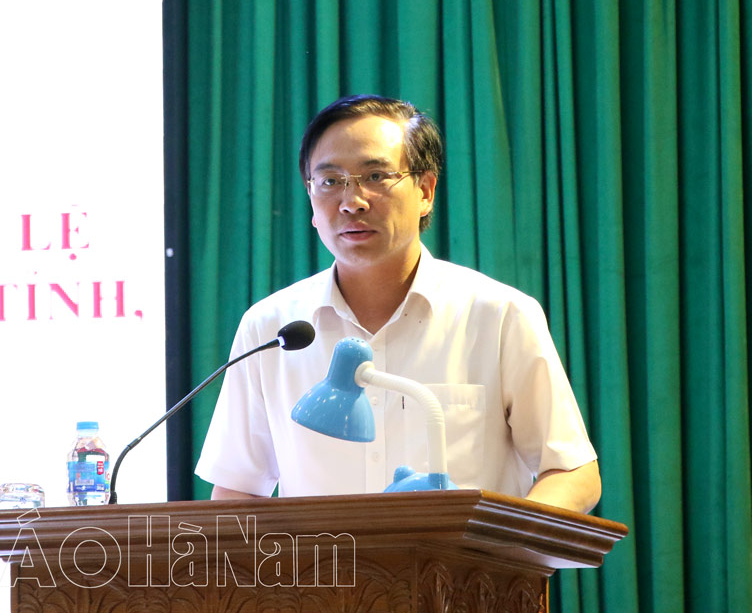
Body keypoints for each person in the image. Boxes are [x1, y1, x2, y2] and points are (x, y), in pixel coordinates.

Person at [195, 94, 601, 513]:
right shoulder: (271, 329)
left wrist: (508, 545)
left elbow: (571, 471)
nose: (352, 201)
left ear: (425, 191)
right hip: (320, 560)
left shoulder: (499, 316)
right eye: (330, 181)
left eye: (375, 176)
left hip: (461, 559)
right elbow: (238, 490)